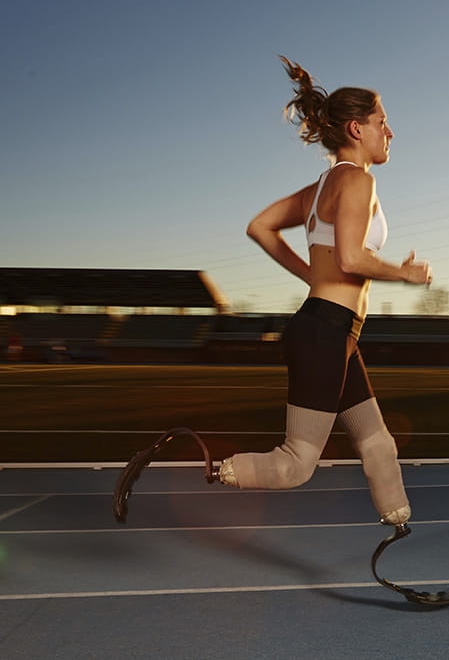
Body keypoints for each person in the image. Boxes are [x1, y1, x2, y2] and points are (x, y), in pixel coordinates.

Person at [115, 56, 430, 529]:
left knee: (376, 441)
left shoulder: (318, 187)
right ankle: (205, 465)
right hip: (325, 332)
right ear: (356, 128)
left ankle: (398, 521)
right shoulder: (358, 181)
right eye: (383, 122)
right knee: (295, 464)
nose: (391, 132)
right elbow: (350, 258)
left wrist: (311, 276)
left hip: (334, 331)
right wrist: (402, 275)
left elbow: (260, 227)